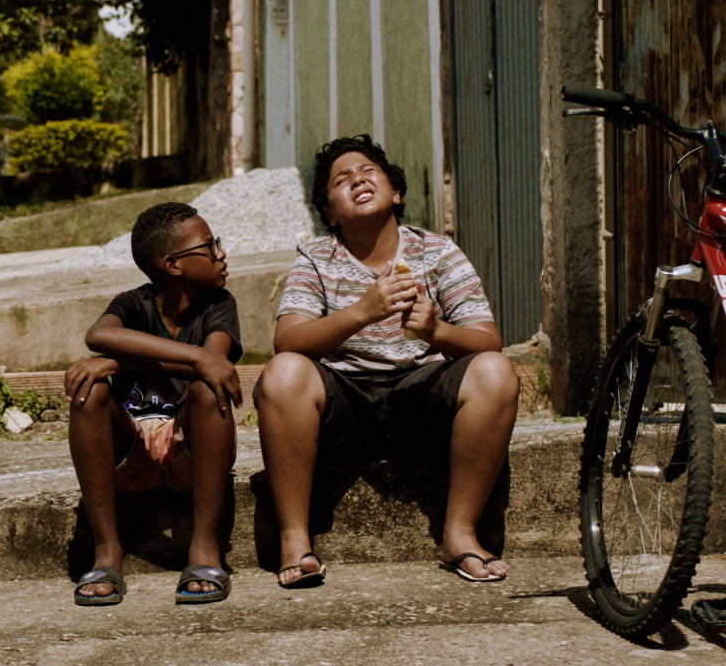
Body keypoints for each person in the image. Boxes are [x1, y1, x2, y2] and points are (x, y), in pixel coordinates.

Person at [254, 135, 519, 588]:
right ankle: (295, 539)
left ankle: (459, 534)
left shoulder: (437, 251)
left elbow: (487, 340)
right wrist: (363, 311)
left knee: (496, 371)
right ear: (330, 213)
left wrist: (436, 331)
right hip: (343, 412)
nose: (357, 179)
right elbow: (288, 339)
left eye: (368, 171)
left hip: (422, 403)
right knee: (283, 372)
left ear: (395, 192)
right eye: (342, 180)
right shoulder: (316, 257)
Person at [64, 202, 242, 605]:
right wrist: (192, 357)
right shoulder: (133, 304)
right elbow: (98, 336)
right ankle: (107, 553)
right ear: (173, 265)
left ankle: (204, 549)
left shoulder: (220, 305)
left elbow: (213, 365)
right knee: (90, 392)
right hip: (130, 450)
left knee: (206, 387)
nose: (221, 253)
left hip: (187, 448)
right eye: (209, 246)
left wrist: (118, 360)